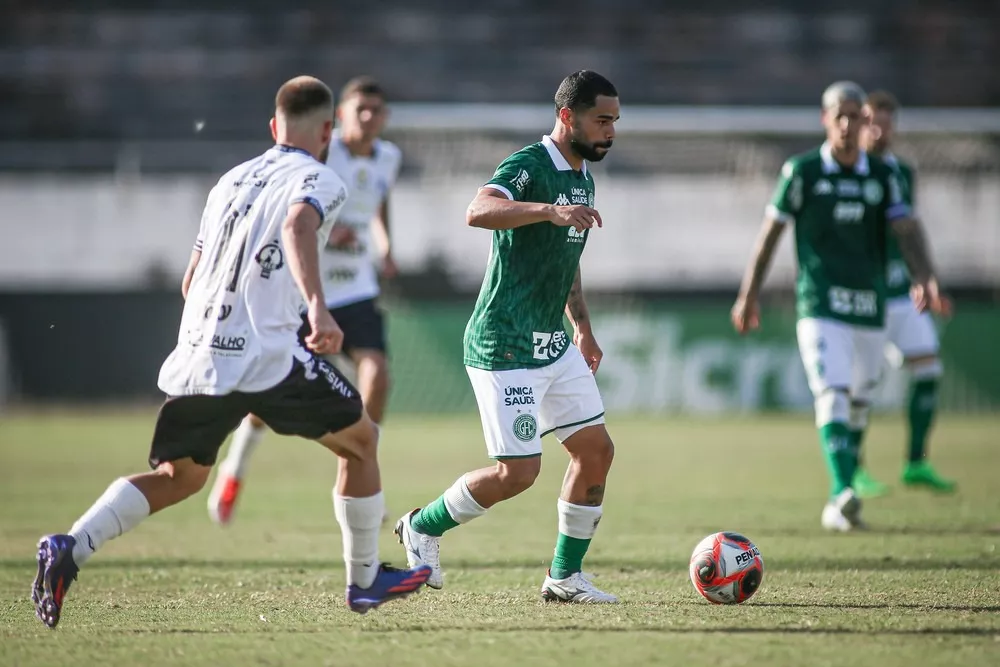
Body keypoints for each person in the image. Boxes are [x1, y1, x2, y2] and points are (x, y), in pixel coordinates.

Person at [31, 76, 430, 629]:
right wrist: (316, 307)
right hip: (266, 354)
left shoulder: (229, 180)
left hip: (200, 353)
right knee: (361, 443)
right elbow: (297, 223)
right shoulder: (321, 177)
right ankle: (364, 582)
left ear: (273, 127)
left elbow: (191, 278)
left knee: (180, 477)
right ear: (326, 131)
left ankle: (69, 546)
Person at [394, 70, 620, 603]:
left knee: (596, 451)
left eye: (614, 121)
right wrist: (548, 209)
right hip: (504, 343)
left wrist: (582, 327)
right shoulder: (530, 165)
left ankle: (565, 578)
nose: (611, 131)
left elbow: (567, 259)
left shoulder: (583, 175)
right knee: (518, 473)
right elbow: (478, 210)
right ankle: (421, 526)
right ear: (568, 116)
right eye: (601, 119)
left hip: (553, 343)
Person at [731, 81, 950, 532]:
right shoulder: (803, 171)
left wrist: (925, 277)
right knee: (832, 393)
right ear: (825, 120)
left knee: (860, 403)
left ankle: (841, 502)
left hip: (871, 308)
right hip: (820, 305)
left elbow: (908, 231)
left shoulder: (883, 176)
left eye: (856, 116)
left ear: (865, 122)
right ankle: (842, 491)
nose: (849, 125)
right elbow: (770, 235)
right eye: (841, 116)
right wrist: (748, 293)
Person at [208, 76, 403, 525]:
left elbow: (379, 201)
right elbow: (294, 214)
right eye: (362, 110)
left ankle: (358, 466)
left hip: (355, 287)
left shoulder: (388, 157)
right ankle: (234, 469)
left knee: (377, 375)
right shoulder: (319, 153)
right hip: (305, 292)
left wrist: (385, 243)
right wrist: (326, 231)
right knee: (265, 395)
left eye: (378, 110)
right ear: (339, 118)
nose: (371, 117)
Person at [851, 89, 956, 497]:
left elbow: (909, 230)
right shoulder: (848, 172)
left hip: (901, 293)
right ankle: (854, 469)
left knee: (928, 368)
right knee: (862, 386)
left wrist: (926, 279)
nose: (878, 130)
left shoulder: (901, 173)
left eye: (886, 123)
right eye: (872, 122)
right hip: (863, 296)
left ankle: (916, 462)